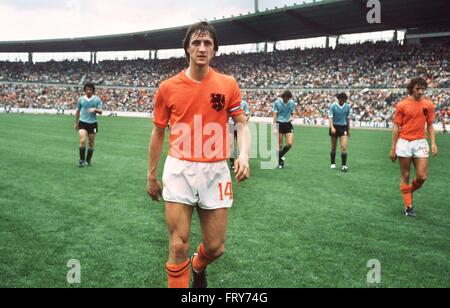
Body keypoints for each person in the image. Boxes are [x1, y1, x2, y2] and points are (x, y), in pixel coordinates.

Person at [147, 21, 251, 289]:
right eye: (196, 42)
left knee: (216, 247)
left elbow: (241, 123)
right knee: (178, 243)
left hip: (215, 170)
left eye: (207, 43)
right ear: (187, 49)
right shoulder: (168, 87)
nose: (202, 48)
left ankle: (199, 264)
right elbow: (158, 132)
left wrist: (244, 155)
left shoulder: (228, 85)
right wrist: (151, 176)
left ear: (215, 50)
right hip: (179, 168)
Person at [390, 77, 438, 217]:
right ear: (411, 89)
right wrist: (393, 148)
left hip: (421, 142)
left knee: (422, 176)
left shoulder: (428, 104)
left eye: (422, 89)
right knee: (405, 174)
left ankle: (407, 191)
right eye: (417, 88)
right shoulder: (402, 104)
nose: (420, 91)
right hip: (404, 142)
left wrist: (433, 143)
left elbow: (430, 125)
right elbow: (396, 126)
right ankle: (408, 206)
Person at [74, 83, 103, 167]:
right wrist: (76, 123)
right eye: (87, 89)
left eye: (90, 89)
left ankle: (88, 160)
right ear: (85, 90)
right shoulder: (81, 99)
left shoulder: (97, 99)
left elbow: (101, 112)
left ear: (93, 90)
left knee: (91, 142)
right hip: (82, 123)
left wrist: (95, 109)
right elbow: (77, 112)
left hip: (93, 124)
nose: (88, 91)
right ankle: (81, 160)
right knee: (82, 140)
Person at [273, 90, 297, 169]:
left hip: (287, 124)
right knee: (279, 144)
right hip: (279, 123)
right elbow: (275, 115)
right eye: (286, 98)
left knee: (289, 144)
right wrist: (274, 127)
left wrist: (292, 117)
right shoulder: (277, 102)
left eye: (288, 98)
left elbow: (293, 112)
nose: (287, 100)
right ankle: (280, 162)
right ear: (283, 97)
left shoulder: (292, 103)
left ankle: (280, 156)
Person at [329, 93, 352, 172]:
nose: (342, 101)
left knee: (344, 147)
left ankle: (344, 165)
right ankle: (332, 163)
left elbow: (348, 119)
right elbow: (330, 118)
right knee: (333, 147)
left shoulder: (347, 107)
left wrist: (349, 129)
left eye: (344, 100)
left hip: (343, 127)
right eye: (341, 100)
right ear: (338, 99)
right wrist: (332, 127)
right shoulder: (333, 106)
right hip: (334, 127)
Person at [229, 98, 251, 169]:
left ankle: (240, 162)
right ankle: (232, 162)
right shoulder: (230, 102)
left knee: (241, 145)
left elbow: (248, 114)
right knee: (230, 145)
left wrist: (244, 121)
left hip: (239, 126)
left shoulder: (243, 103)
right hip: (230, 125)